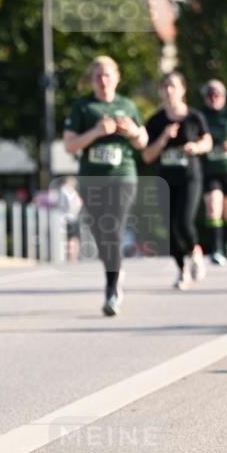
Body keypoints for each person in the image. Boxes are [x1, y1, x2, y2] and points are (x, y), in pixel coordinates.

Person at [63, 55, 148, 316]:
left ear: (117, 78)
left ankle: (111, 291)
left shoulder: (127, 105)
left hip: (123, 176)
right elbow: (69, 145)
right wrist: (96, 132)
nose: (102, 81)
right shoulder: (82, 107)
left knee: (114, 227)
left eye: (107, 75)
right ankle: (114, 269)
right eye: (97, 76)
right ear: (91, 80)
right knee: (101, 233)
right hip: (91, 179)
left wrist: (133, 131)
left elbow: (142, 142)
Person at [142, 72, 212, 289]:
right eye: (165, 86)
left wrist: (197, 147)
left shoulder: (194, 117)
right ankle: (181, 270)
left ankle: (195, 251)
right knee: (169, 229)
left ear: (183, 90)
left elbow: (208, 141)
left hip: (190, 177)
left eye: (173, 86)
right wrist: (163, 138)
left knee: (183, 220)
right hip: (165, 180)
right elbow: (147, 156)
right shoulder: (156, 121)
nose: (169, 90)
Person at [200, 79, 227, 265]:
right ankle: (216, 249)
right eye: (209, 95)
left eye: (216, 94)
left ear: (223, 96)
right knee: (212, 205)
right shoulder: (201, 116)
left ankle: (226, 244)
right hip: (209, 169)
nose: (213, 98)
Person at [57, 176, 82, 261]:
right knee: (72, 238)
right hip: (70, 217)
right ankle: (72, 256)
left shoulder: (64, 190)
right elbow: (71, 205)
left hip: (69, 217)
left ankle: (72, 256)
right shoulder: (67, 190)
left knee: (71, 238)